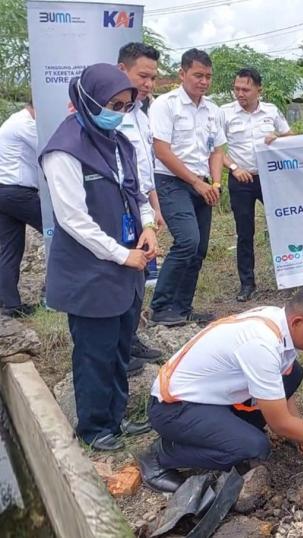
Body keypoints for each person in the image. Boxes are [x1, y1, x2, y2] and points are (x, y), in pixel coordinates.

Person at [138, 283, 303, 492]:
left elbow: (285, 389)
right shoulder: (261, 343)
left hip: (213, 399)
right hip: (174, 409)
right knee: (253, 447)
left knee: (293, 374)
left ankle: (220, 431)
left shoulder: (280, 323)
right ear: (298, 321)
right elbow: (280, 424)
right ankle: (160, 456)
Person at [39, 63, 158, 451]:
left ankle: (117, 417)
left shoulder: (119, 141)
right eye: (113, 104)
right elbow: (73, 219)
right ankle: (94, 428)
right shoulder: (64, 150)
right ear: (88, 100)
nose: (120, 112)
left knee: (121, 346)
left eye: (127, 105)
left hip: (126, 264)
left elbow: (136, 192)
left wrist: (148, 227)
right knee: (95, 352)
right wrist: (121, 255)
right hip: (91, 270)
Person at [148, 48, 226, 326]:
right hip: (171, 181)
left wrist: (214, 183)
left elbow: (217, 150)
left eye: (208, 76)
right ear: (182, 74)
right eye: (197, 75)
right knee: (187, 241)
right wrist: (195, 182)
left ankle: (181, 308)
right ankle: (159, 308)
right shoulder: (165, 105)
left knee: (200, 248)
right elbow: (161, 150)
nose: (203, 81)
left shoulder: (213, 110)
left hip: (202, 184)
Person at [221, 68, 293, 302]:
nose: (240, 93)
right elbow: (215, 150)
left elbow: (291, 137)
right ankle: (247, 283)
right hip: (240, 179)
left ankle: (292, 274)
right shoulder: (224, 114)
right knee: (245, 232)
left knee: (284, 224)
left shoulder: (271, 112)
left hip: (270, 179)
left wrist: (278, 138)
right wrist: (234, 168)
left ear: (258, 90)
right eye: (237, 89)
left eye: (245, 89)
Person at [117, 42, 165, 372]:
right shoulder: (110, 115)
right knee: (120, 276)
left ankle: (130, 339)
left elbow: (144, 169)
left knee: (140, 278)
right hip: (118, 208)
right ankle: (118, 348)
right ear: (123, 71)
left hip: (142, 208)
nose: (148, 84)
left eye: (152, 78)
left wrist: (154, 208)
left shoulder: (142, 114)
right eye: (143, 76)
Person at [0, 101, 42, 318]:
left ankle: (10, 304)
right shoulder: (25, 124)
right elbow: (47, 147)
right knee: (60, 231)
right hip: (18, 193)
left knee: (9, 249)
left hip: (5, 192)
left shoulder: (15, 121)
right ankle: (51, 292)